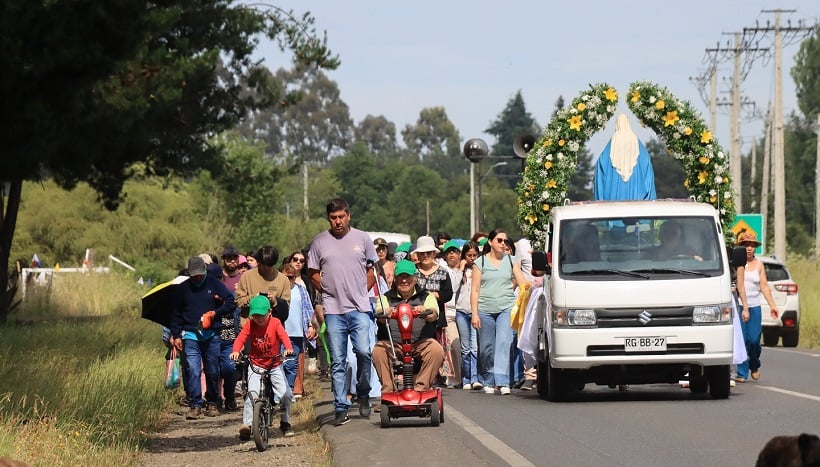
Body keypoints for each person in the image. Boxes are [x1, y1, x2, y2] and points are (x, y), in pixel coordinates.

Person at [307, 198, 378, 427]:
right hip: (334, 310)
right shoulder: (319, 242)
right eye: (333, 218)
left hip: (359, 308)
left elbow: (371, 270)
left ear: (348, 216)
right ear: (329, 219)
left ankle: (364, 393)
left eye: (341, 217)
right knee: (338, 360)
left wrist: (360, 291)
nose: (337, 221)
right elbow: (313, 272)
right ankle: (340, 406)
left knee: (364, 352)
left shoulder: (362, 238)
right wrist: (328, 290)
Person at [169, 256, 237, 419]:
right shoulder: (183, 289)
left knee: (212, 370)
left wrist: (215, 312)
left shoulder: (214, 284)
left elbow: (230, 302)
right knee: (192, 369)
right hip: (190, 335)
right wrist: (176, 334)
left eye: (200, 274)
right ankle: (195, 404)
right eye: (195, 275)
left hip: (211, 334)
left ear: (205, 272)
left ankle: (213, 401)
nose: (198, 278)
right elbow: (176, 314)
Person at [372, 260, 444, 393]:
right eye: (400, 277)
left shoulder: (426, 296)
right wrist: (385, 313)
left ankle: (421, 389)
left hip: (420, 343)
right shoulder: (385, 298)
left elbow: (434, 314)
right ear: (395, 278)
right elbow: (379, 314)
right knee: (378, 351)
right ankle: (388, 392)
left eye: (407, 277)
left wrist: (425, 312)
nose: (404, 281)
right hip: (394, 345)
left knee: (436, 350)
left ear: (415, 278)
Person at [470, 229, 528, 395]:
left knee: (504, 343)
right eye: (499, 240)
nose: (503, 244)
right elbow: (474, 290)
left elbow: (522, 282)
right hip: (484, 309)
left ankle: (502, 381)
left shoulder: (511, 260)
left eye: (505, 241)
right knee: (486, 348)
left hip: (506, 308)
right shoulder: (480, 262)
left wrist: (527, 291)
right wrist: (474, 314)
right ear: (490, 242)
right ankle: (488, 379)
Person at [230, 295, 295, 440]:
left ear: (269, 312)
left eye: (262, 315)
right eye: (255, 315)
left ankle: (285, 422)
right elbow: (241, 338)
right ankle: (247, 425)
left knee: (286, 394)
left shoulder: (276, 323)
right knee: (252, 393)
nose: (258, 318)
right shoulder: (250, 324)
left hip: (274, 363)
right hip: (256, 363)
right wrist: (235, 351)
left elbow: (284, 337)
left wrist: (288, 349)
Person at [736, 232, 779, 383]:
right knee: (742, 340)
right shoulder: (737, 264)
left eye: (752, 245)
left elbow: (765, 287)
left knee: (754, 340)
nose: (749, 248)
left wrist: (773, 305)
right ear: (741, 247)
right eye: (746, 245)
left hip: (755, 307)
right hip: (740, 307)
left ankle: (754, 364)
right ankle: (742, 373)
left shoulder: (759, 265)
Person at [413, 235, 453, 387]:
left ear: (434, 254)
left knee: (436, 350)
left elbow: (448, 293)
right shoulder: (413, 272)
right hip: (415, 319)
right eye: (422, 253)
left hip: (436, 319)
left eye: (429, 253)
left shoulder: (443, 272)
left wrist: (434, 295)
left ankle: (434, 377)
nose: (425, 256)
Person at [593, 113, 656, 201]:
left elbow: (601, 165)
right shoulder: (637, 144)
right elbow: (646, 165)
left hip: (612, 203)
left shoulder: (612, 144)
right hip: (638, 203)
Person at [280, 263, 315, 400]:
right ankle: (282, 390)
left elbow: (308, 309)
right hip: (280, 331)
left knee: (295, 362)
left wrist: (311, 326)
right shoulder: (277, 290)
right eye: (286, 277)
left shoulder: (301, 290)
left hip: (297, 332)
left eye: (292, 277)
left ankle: (296, 389)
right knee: (282, 361)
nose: (289, 279)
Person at [450, 241, 482, 390]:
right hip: (461, 311)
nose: (472, 258)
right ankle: (466, 378)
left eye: (475, 255)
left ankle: (475, 377)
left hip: (475, 311)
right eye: (469, 255)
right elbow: (454, 288)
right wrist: (461, 268)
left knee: (475, 347)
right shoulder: (458, 271)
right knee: (465, 348)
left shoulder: (480, 270)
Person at [235, 246, 290, 325]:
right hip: (249, 329)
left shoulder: (283, 280)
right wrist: (253, 298)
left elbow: (285, 309)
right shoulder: (247, 276)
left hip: (273, 331)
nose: (266, 269)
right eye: (263, 265)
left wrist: (274, 301)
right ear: (258, 262)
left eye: (269, 266)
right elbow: (239, 302)